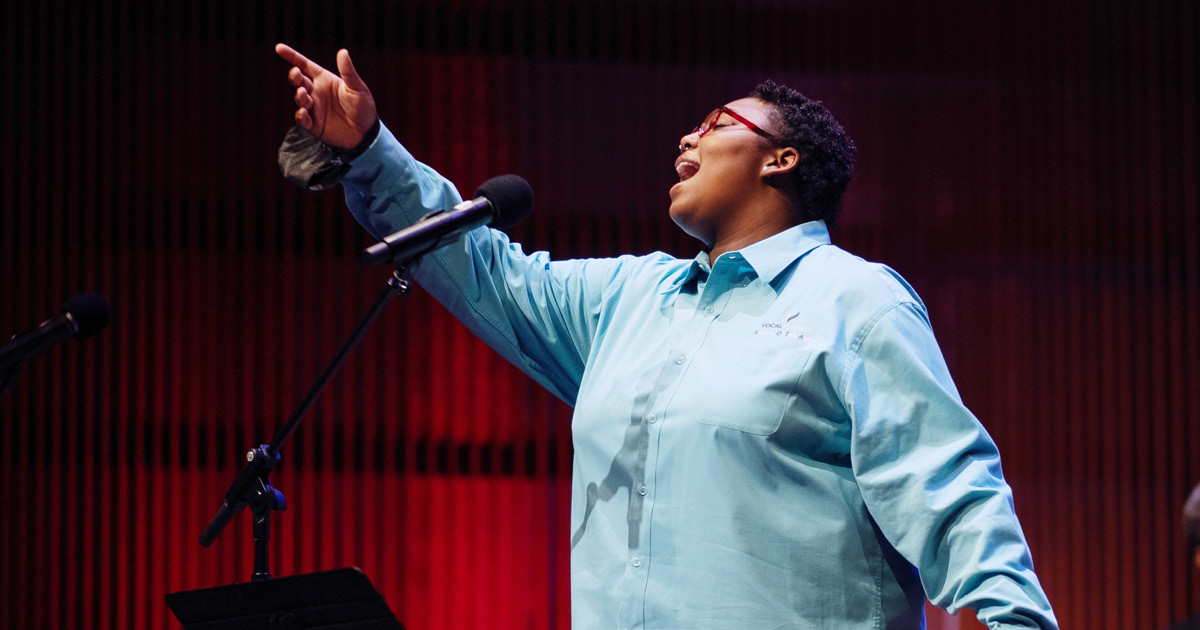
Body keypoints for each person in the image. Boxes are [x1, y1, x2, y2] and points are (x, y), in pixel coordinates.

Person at [275, 43, 1059, 629]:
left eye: (715, 125)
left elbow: (951, 490)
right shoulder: (626, 298)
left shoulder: (854, 300)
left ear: (781, 160)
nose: (686, 138)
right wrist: (369, 153)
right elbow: (481, 267)